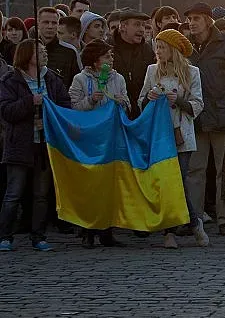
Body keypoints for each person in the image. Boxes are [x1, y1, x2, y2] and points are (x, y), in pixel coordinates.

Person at [184, 2, 225, 236]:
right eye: (190, 19)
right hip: (196, 116)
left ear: (208, 20)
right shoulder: (186, 46)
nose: (192, 23)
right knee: (195, 170)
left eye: (196, 18)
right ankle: (194, 219)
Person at [139, 29, 209, 248]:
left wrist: (179, 101)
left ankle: (194, 223)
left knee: (178, 180)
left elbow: (198, 103)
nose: (158, 52)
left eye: (163, 47)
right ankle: (170, 231)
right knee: (165, 182)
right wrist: (149, 99)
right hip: (159, 134)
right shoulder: (152, 71)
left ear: (174, 50)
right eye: (157, 47)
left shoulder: (192, 72)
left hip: (182, 135)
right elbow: (141, 99)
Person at [0, 40, 72, 252]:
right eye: (39, 51)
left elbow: (64, 106)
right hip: (20, 144)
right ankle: (5, 235)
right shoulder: (10, 81)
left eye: (43, 50)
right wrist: (30, 102)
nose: (44, 53)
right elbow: (6, 111)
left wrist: (48, 117)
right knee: (14, 193)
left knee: (41, 195)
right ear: (26, 55)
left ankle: (38, 236)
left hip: (45, 144)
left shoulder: (52, 79)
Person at [68, 39, 131, 248]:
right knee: (90, 185)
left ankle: (107, 230)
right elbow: (73, 108)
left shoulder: (118, 78)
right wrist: (90, 101)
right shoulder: (79, 79)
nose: (111, 60)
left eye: (112, 57)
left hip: (111, 137)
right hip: (89, 138)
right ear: (95, 61)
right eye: (106, 57)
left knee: (109, 185)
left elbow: (128, 104)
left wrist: (122, 101)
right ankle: (88, 230)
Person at [112, 9, 156, 118]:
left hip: (143, 114)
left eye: (143, 25)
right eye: (137, 25)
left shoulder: (147, 50)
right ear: (123, 27)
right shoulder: (108, 49)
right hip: (115, 114)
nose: (141, 29)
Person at [36, 7, 79, 88]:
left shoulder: (69, 52)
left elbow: (76, 83)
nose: (50, 26)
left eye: (54, 23)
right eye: (46, 22)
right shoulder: (28, 49)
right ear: (38, 23)